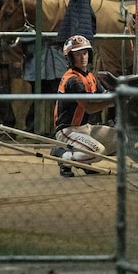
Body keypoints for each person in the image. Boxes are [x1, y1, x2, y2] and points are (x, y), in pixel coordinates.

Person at [52, 35, 117, 177]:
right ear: (70, 58)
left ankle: (84, 160)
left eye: (85, 53)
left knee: (121, 138)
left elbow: (104, 96)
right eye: (77, 54)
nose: (83, 57)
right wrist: (115, 100)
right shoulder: (72, 79)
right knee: (99, 151)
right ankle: (64, 157)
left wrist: (117, 94)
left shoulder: (89, 77)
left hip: (85, 127)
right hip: (68, 130)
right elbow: (89, 107)